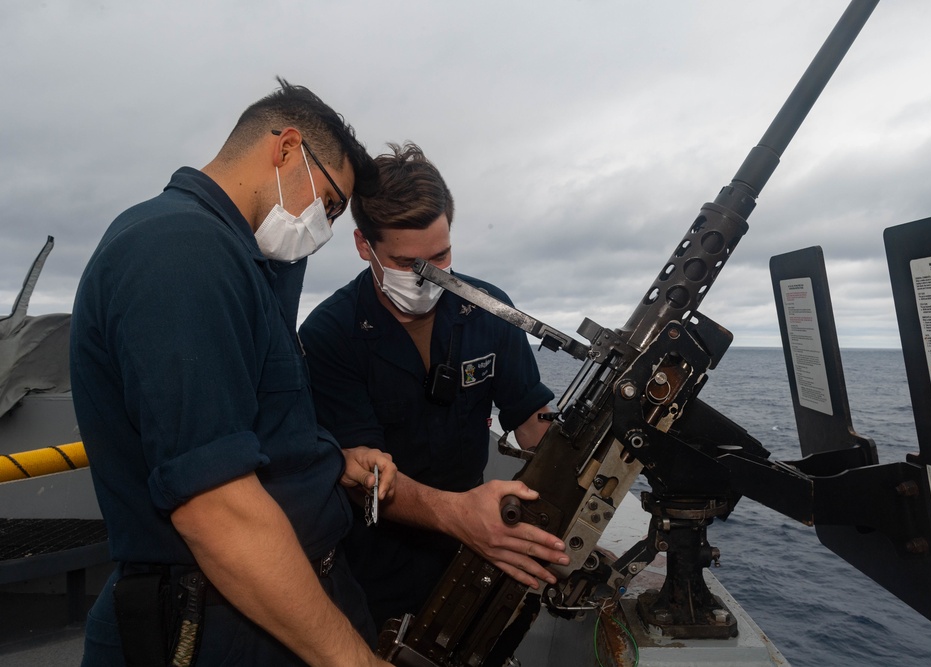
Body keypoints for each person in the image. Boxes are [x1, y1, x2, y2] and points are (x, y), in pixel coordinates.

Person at [70, 78, 397, 667]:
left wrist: (326, 458)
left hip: (275, 606)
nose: (321, 227)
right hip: (219, 627)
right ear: (287, 148)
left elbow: (251, 418)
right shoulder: (179, 252)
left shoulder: (242, 259)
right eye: (328, 204)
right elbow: (214, 508)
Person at [298, 142, 569, 630]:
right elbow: (364, 480)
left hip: (475, 550)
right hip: (371, 565)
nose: (427, 276)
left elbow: (532, 419)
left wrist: (588, 446)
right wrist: (461, 515)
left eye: (440, 255)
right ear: (364, 247)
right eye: (406, 263)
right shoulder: (328, 336)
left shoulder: (491, 309)